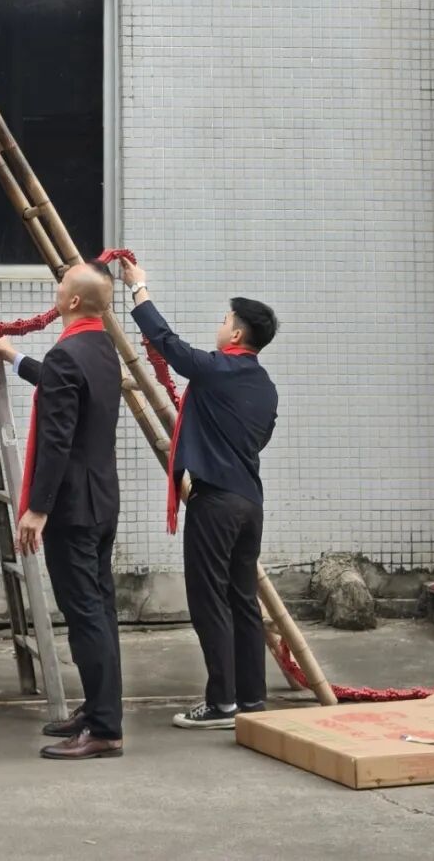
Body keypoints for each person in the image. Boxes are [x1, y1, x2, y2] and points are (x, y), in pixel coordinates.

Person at [120, 259, 279, 732]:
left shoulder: (218, 370)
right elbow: (257, 439)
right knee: (242, 600)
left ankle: (222, 703)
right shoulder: (265, 387)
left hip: (216, 503)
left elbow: (169, 346)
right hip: (250, 503)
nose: (220, 325)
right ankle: (250, 699)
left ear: (237, 335)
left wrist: (139, 290)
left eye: (225, 320)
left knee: (210, 601)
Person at [0, 261, 123, 761]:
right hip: (101, 500)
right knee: (99, 609)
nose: (56, 288)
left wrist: (37, 509)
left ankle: (105, 728)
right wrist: (16, 358)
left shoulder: (68, 353)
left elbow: (57, 438)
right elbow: (62, 386)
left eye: (61, 285)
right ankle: (100, 708)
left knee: (85, 614)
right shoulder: (101, 347)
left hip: (73, 508)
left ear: (72, 302)